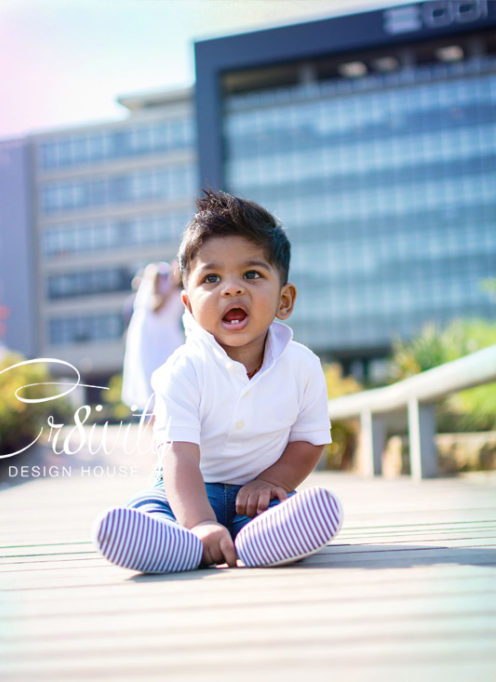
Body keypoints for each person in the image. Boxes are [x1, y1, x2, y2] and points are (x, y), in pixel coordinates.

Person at [94, 190, 342, 573]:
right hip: (187, 490)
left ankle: (262, 541)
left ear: (284, 300)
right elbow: (179, 455)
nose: (231, 288)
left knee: (280, 508)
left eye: (252, 274)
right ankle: (180, 544)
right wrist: (200, 522)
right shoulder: (182, 369)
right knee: (150, 507)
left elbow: (309, 441)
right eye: (211, 278)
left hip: (254, 497)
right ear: (189, 305)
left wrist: (270, 480)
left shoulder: (302, 366)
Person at [120, 260, 184, 414]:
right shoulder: (157, 273)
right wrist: (172, 286)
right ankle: (153, 418)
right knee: (151, 375)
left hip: (170, 335)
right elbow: (156, 307)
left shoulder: (183, 285)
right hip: (151, 337)